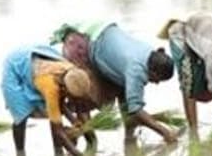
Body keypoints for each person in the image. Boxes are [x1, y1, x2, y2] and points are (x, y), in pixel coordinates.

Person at [50, 21, 178, 144]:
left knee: (122, 90)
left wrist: (130, 135)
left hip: (101, 32)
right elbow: (136, 110)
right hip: (81, 45)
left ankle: (128, 139)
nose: (156, 83)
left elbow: (127, 103)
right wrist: (164, 132)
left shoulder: (149, 52)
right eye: (158, 80)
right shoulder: (136, 70)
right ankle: (88, 140)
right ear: (154, 72)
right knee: (84, 96)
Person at [0, 45, 89, 156]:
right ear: (65, 88)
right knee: (21, 114)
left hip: (36, 58)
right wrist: (80, 155)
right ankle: (20, 155)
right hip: (15, 64)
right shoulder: (50, 88)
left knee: (55, 111)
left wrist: (76, 123)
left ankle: (58, 154)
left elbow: (63, 104)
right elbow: (57, 129)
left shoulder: (73, 73)